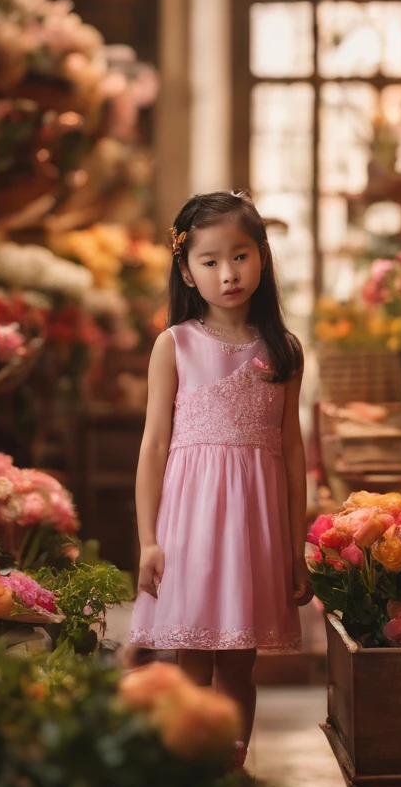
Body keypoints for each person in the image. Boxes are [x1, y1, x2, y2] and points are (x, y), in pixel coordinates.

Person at [128, 190, 312, 756]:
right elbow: (155, 444)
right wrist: (148, 541)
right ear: (187, 271)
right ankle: (192, 781)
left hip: (254, 528)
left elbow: (292, 448)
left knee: (239, 664)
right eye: (209, 261)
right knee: (192, 662)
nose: (227, 273)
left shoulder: (283, 350)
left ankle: (231, 786)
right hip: (190, 527)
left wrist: (294, 546)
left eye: (240, 256)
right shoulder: (175, 343)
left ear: (262, 257)